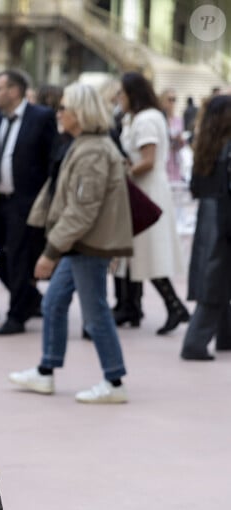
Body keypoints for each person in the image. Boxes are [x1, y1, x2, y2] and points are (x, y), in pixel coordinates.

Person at [9, 82, 132, 403]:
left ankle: (114, 381)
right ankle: (46, 371)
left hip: (87, 245)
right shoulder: (84, 144)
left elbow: (82, 210)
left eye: (64, 108)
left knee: (95, 313)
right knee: (53, 303)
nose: (58, 113)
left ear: (80, 112)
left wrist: (51, 252)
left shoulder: (92, 150)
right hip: (82, 244)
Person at [0, 68, 56, 334]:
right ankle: (28, 300)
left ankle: (16, 315)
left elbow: (51, 160)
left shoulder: (41, 118)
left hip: (25, 201)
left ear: (14, 91)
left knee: (21, 257)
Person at [114, 72, 189, 335]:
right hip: (144, 190)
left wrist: (123, 172)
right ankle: (146, 306)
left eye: (121, 93)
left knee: (150, 252)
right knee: (138, 254)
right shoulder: (142, 117)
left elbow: (148, 159)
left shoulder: (146, 119)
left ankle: (174, 306)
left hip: (148, 191)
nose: (118, 98)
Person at [181, 95, 231, 360]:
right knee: (215, 278)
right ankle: (195, 342)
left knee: (216, 274)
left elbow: (196, 186)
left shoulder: (206, 144)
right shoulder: (225, 147)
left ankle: (225, 336)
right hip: (223, 214)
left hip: (209, 214)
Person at [160, 88, 184, 183]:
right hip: (164, 159)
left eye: (174, 99)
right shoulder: (160, 118)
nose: (172, 102)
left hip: (175, 159)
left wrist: (180, 140)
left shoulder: (178, 120)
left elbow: (181, 143)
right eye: (170, 99)